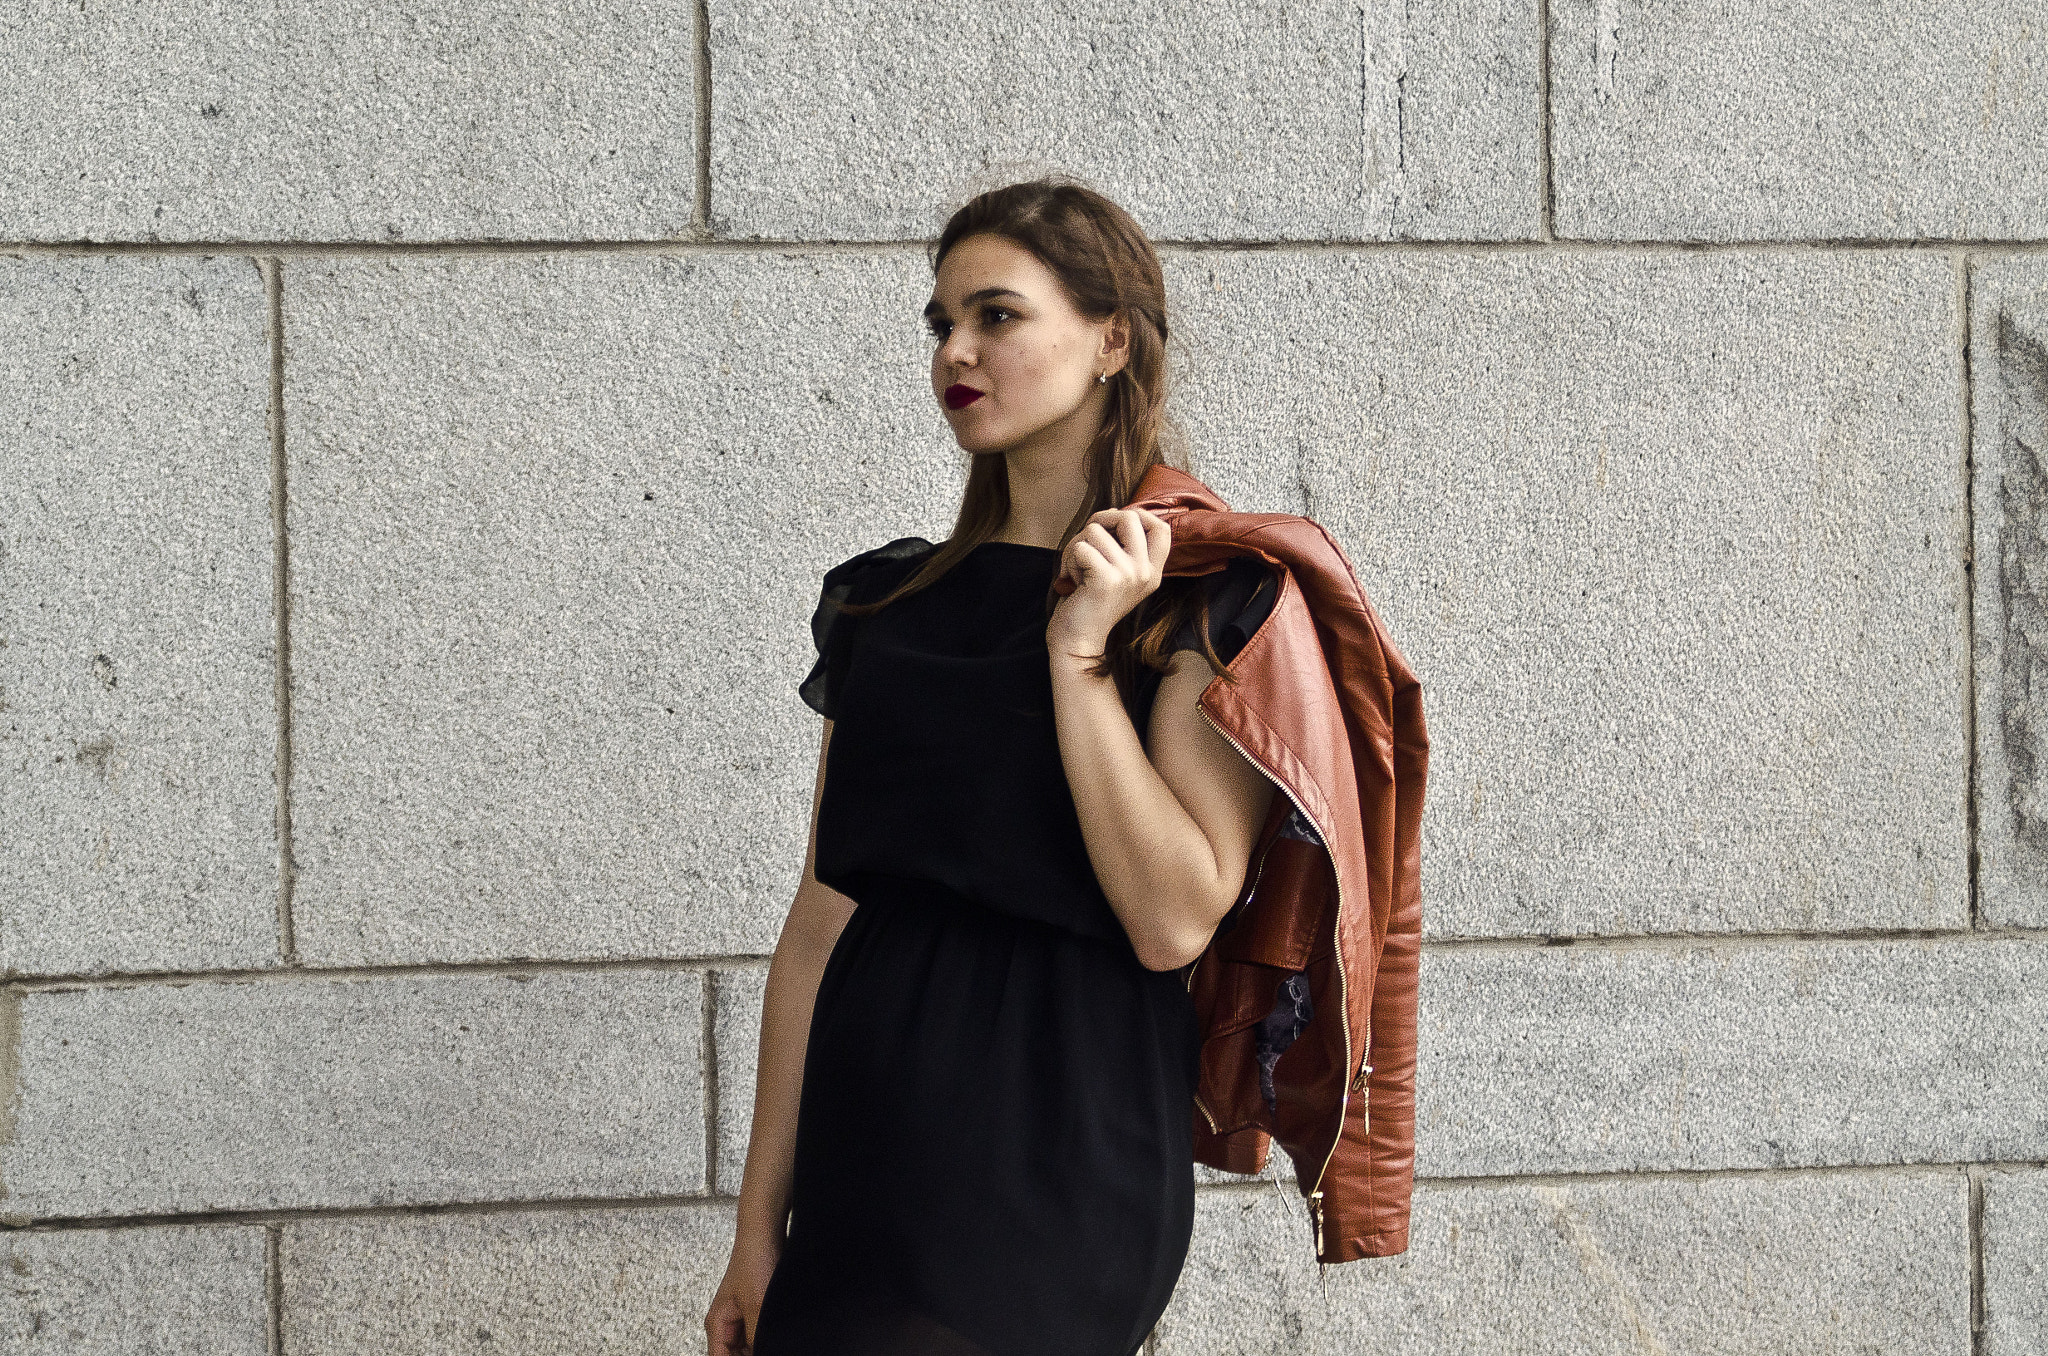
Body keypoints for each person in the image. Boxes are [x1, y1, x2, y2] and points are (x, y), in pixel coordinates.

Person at [706, 176, 1288, 1356]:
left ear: (1110, 339)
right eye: (941, 323)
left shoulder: (1203, 601)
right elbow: (817, 924)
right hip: (866, 1152)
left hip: (1054, 1144)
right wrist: (758, 1229)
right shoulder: (884, 604)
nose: (954, 351)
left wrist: (1077, 657)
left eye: (996, 315)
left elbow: (1173, 918)